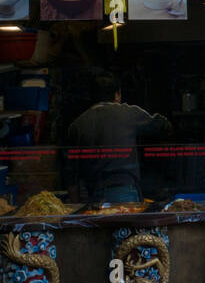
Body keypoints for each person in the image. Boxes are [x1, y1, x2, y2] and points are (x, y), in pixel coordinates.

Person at [67, 72, 171, 202]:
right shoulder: (129, 113)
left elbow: (72, 174)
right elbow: (163, 126)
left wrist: (75, 207)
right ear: (117, 94)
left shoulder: (77, 124)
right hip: (124, 192)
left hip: (92, 195)